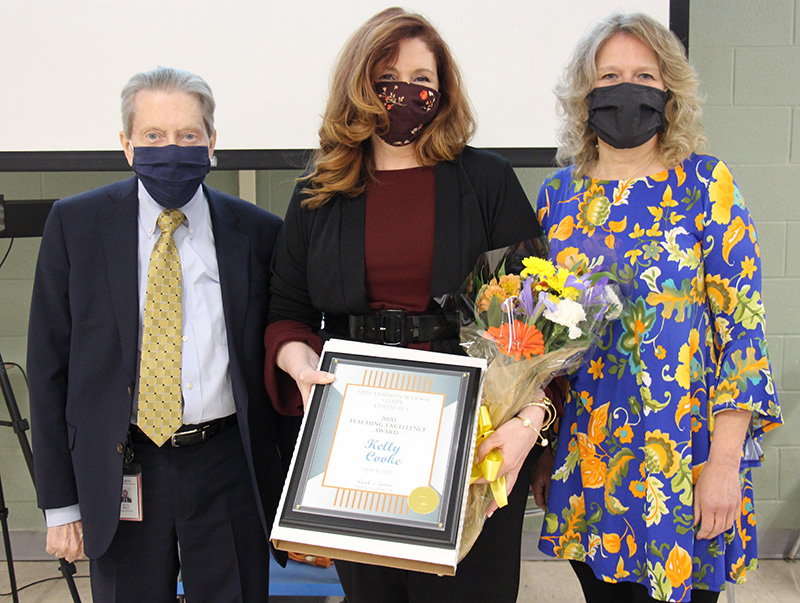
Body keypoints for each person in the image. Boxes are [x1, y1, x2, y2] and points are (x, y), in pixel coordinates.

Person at [265, 7, 547, 602]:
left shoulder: (487, 181)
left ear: (443, 92)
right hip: (357, 433)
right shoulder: (319, 190)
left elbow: (532, 323)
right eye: (387, 73)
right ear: (359, 82)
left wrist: (527, 423)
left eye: (423, 77)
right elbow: (286, 312)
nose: (405, 90)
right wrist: (296, 363)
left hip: (475, 431)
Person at [530, 12, 783, 603]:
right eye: (610, 75)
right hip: (589, 462)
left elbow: (744, 334)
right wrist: (544, 452)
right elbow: (544, 344)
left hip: (687, 461)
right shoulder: (557, 198)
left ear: (669, 91)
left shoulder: (706, 184)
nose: (626, 89)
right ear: (584, 93)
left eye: (644, 75)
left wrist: (724, 465)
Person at [28, 66, 285, 602]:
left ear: (212, 143)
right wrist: (60, 504)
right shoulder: (75, 226)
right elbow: (48, 369)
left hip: (227, 468)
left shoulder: (259, 232)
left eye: (188, 136)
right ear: (127, 146)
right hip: (121, 470)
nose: (172, 148)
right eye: (154, 136)